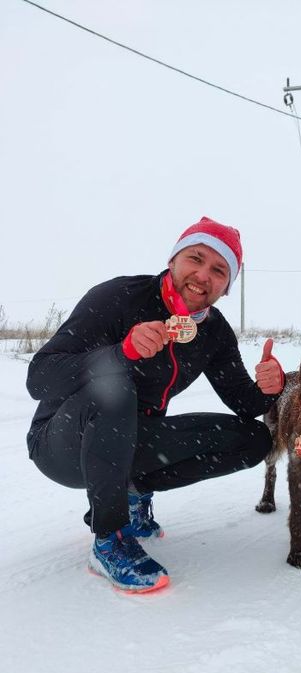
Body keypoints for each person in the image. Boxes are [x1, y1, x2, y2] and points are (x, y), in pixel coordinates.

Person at [26, 217, 284, 593]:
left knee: (255, 439)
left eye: (219, 270)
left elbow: (245, 402)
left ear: (227, 287)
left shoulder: (214, 331)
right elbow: (39, 378)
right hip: (62, 445)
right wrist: (121, 353)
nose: (203, 275)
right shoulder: (118, 297)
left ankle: (131, 494)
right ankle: (109, 538)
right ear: (173, 259)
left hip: (129, 444)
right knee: (115, 386)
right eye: (195, 258)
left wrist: (270, 388)